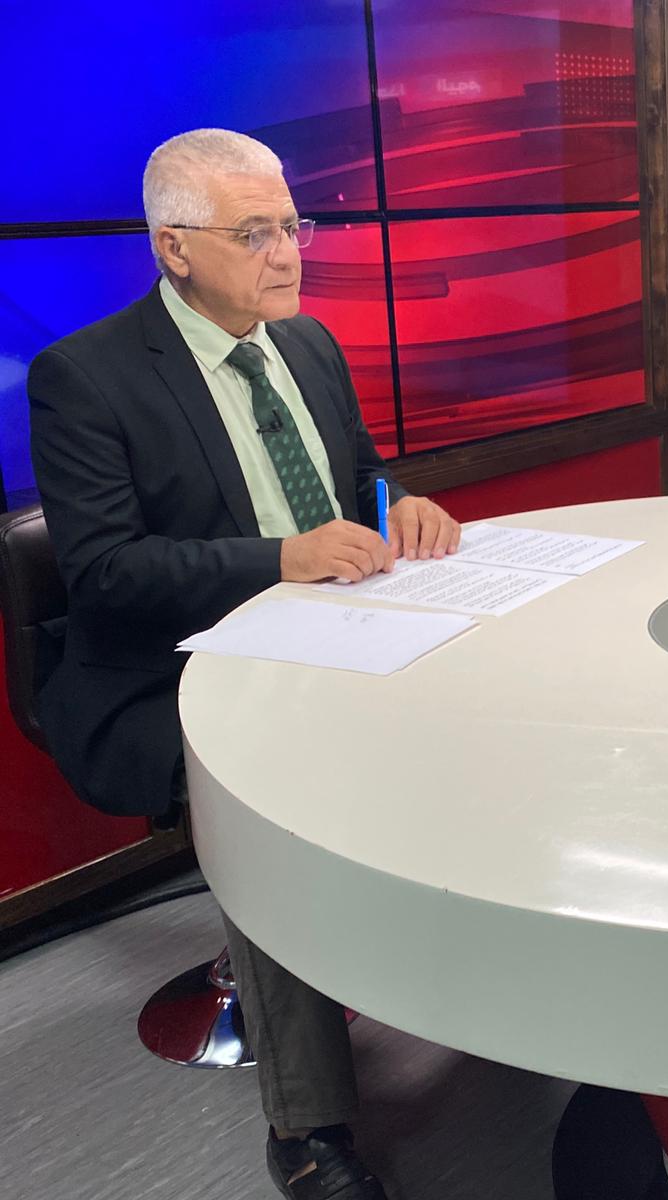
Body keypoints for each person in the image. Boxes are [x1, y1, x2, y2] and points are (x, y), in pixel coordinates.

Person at [29, 128, 462, 1200]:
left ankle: (479, 987)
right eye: (255, 233)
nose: (289, 254)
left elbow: (361, 475)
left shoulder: (307, 343)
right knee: (280, 803)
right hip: (169, 670)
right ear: (174, 248)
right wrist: (280, 558)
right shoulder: (84, 377)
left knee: (479, 707)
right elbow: (104, 574)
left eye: (293, 226)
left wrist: (401, 502)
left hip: (329, 637)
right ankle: (309, 1129)